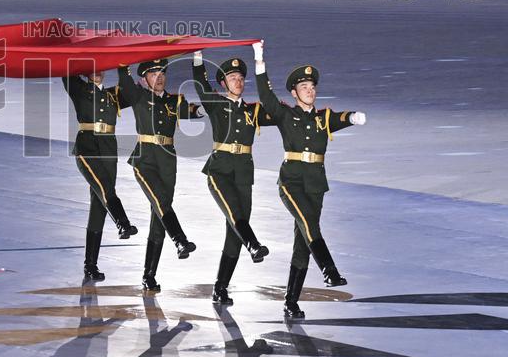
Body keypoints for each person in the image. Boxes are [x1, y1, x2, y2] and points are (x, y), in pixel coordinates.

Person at [252, 41, 366, 320]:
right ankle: (330, 271)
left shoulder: (323, 117)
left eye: (312, 87)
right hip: (291, 181)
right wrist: (259, 60)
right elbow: (266, 96)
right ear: (294, 92)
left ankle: (290, 302)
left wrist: (352, 117)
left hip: (315, 182)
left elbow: (340, 118)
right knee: (308, 224)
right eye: (304, 87)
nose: (310, 90)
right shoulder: (285, 113)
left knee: (303, 241)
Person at [192, 51, 275, 305]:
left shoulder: (254, 110)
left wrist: (261, 65)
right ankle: (254, 244)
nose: (237, 81)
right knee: (237, 216)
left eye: (240, 77)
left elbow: (273, 106)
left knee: (234, 232)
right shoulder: (215, 103)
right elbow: (199, 82)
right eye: (232, 77)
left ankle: (220, 287)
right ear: (223, 83)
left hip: (243, 173)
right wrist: (198, 56)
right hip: (219, 171)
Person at [117, 59, 201, 292]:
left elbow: (194, 112)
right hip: (144, 160)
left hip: (167, 161)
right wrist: (123, 57)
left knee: (159, 218)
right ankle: (180, 240)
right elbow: (123, 78)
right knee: (162, 203)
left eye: (162, 72)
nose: (160, 76)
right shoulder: (138, 96)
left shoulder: (175, 101)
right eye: (153, 73)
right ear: (144, 79)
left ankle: (149, 276)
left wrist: (210, 108)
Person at [62, 68, 139, 282]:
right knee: (105, 188)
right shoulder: (78, 88)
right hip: (87, 146)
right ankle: (122, 223)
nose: (98, 72)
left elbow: (133, 94)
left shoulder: (112, 95)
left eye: (101, 68)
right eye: (93, 68)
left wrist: (125, 66)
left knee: (100, 204)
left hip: (108, 148)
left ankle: (90, 266)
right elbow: (66, 70)